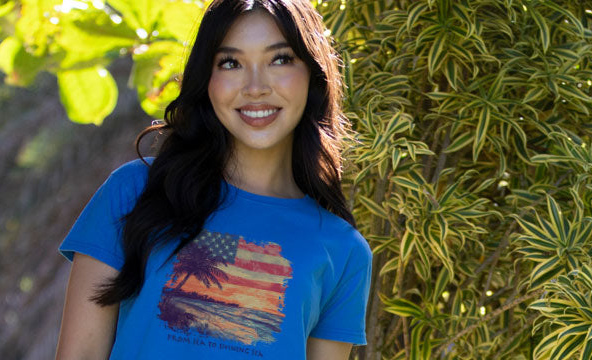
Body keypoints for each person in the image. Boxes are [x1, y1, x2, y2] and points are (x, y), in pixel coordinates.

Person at [53, 0, 369, 358]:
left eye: (279, 59)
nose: (255, 87)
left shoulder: (343, 249)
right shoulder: (135, 191)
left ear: (313, 75)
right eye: (231, 63)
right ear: (208, 80)